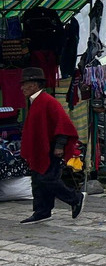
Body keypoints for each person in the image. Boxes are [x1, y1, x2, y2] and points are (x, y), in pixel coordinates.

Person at [17, 67, 84, 225]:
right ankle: (42, 211)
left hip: (51, 148)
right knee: (38, 180)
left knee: (47, 179)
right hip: (41, 148)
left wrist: (60, 146)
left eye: (24, 84)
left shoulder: (47, 101)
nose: (21, 88)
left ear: (34, 85)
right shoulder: (34, 102)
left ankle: (75, 198)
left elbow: (63, 125)